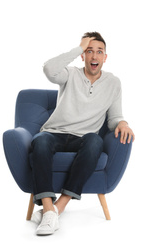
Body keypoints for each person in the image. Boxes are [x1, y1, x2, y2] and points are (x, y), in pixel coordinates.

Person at [30, 32, 135, 235]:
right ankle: (48, 207)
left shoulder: (113, 83)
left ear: (105, 57)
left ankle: (56, 209)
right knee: (40, 141)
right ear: (83, 56)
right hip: (55, 133)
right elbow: (49, 68)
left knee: (95, 142)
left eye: (99, 52)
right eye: (89, 51)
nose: (94, 56)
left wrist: (123, 123)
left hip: (84, 138)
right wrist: (78, 47)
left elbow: (114, 118)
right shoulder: (70, 74)